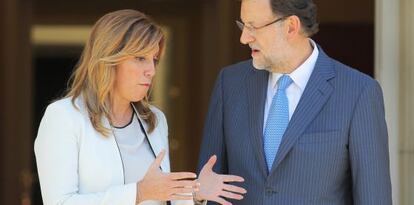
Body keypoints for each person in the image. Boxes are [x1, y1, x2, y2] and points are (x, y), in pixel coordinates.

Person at [34, 9, 246, 205]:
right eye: (140, 58)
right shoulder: (63, 117)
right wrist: (138, 193)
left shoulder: (154, 120)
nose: (151, 71)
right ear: (108, 59)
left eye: (154, 60)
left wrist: (195, 192)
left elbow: (157, 196)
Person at [196, 0, 392, 204]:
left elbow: (374, 198)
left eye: (253, 27)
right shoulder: (229, 84)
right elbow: (209, 183)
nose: (244, 38)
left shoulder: (358, 92)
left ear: (291, 27)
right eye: (243, 25)